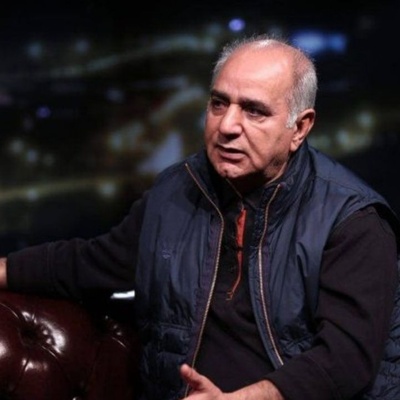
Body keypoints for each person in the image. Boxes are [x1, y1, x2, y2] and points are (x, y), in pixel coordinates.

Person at [0, 34, 399, 400]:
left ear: (300, 127)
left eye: (254, 111)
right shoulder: (176, 190)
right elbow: (92, 263)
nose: (227, 126)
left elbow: (345, 359)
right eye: (219, 103)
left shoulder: (353, 220)